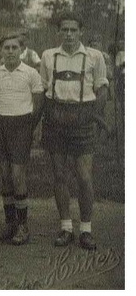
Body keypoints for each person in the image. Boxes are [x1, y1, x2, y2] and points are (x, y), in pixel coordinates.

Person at [40, 13, 108, 250]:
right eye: (64, 30)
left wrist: (92, 115)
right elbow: (44, 89)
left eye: (73, 30)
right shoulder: (49, 56)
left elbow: (102, 89)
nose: (68, 34)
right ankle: (66, 227)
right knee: (59, 175)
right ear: (59, 32)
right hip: (56, 120)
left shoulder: (94, 56)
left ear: (81, 32)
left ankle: (86, 229)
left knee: (84, 176)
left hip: (83, 120)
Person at [0, 33, 44, 245]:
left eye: (14, 48)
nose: (10, 51)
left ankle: (23, 226)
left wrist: (30, 127)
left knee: (17, 175)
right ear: (1, 51)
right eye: (6, 48)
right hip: (1, 124)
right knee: (5, 176)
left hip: (22, 125)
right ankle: (9, 223)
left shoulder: (31, 73)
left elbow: (39, 103)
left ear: (22, 50)